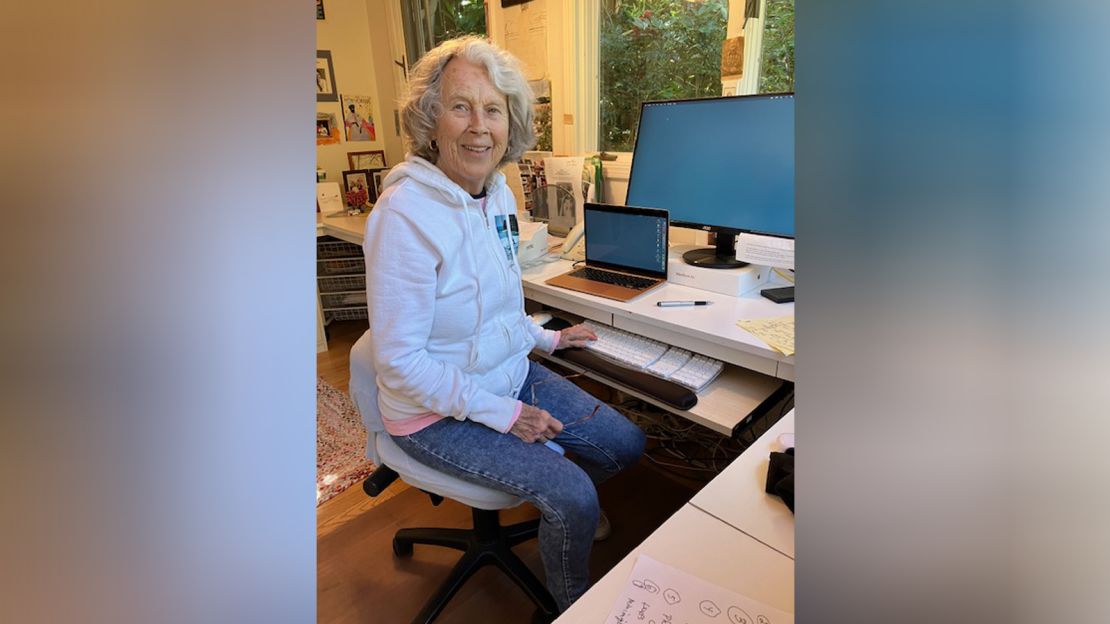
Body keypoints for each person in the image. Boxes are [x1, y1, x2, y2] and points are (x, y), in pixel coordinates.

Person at [357, 36, 645, 616]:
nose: (479, 127)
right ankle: (572, 603)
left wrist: (546, 338)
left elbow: (500, 302)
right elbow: (401, 364)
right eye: (461, 106)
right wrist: (508, 416)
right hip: (431, 411)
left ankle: (565, 511)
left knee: (627, 443)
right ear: (429, 119)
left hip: (504, 376)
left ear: (510, 123)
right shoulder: (404, 218)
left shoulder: (499, 195)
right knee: (572, 491)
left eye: (494, 110)